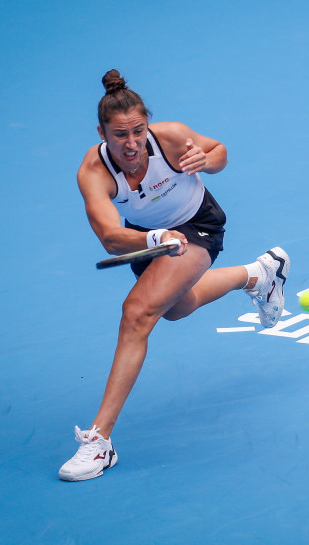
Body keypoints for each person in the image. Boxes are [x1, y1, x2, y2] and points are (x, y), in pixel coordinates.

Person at [59, 69, 289, 481]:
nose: (130, 144)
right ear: (101, 133)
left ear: (147, 122)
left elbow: (218, 152)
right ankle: (260, 273)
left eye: (137, 131)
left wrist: (207, 160)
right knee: (176, 308)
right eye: (119, 135)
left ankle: (99, 442)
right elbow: (112, 239)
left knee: (137, 313)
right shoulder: (93, 173)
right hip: (148, 241)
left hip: (198, 224)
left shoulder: (169, 137)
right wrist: (155, 237)